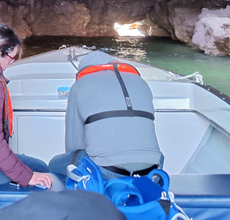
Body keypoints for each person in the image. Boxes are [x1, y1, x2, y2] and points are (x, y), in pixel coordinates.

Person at [0, 22, 54, 189]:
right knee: (42, 171)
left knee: (38, 167)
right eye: (11, 59)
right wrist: (27, 177)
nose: (10, 65)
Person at [49, 51, 163, 180]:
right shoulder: (142, 83)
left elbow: (74, 142)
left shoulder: (80, 85)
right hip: (153, 168)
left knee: (54, 165)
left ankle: (78, 197)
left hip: (107, 170)